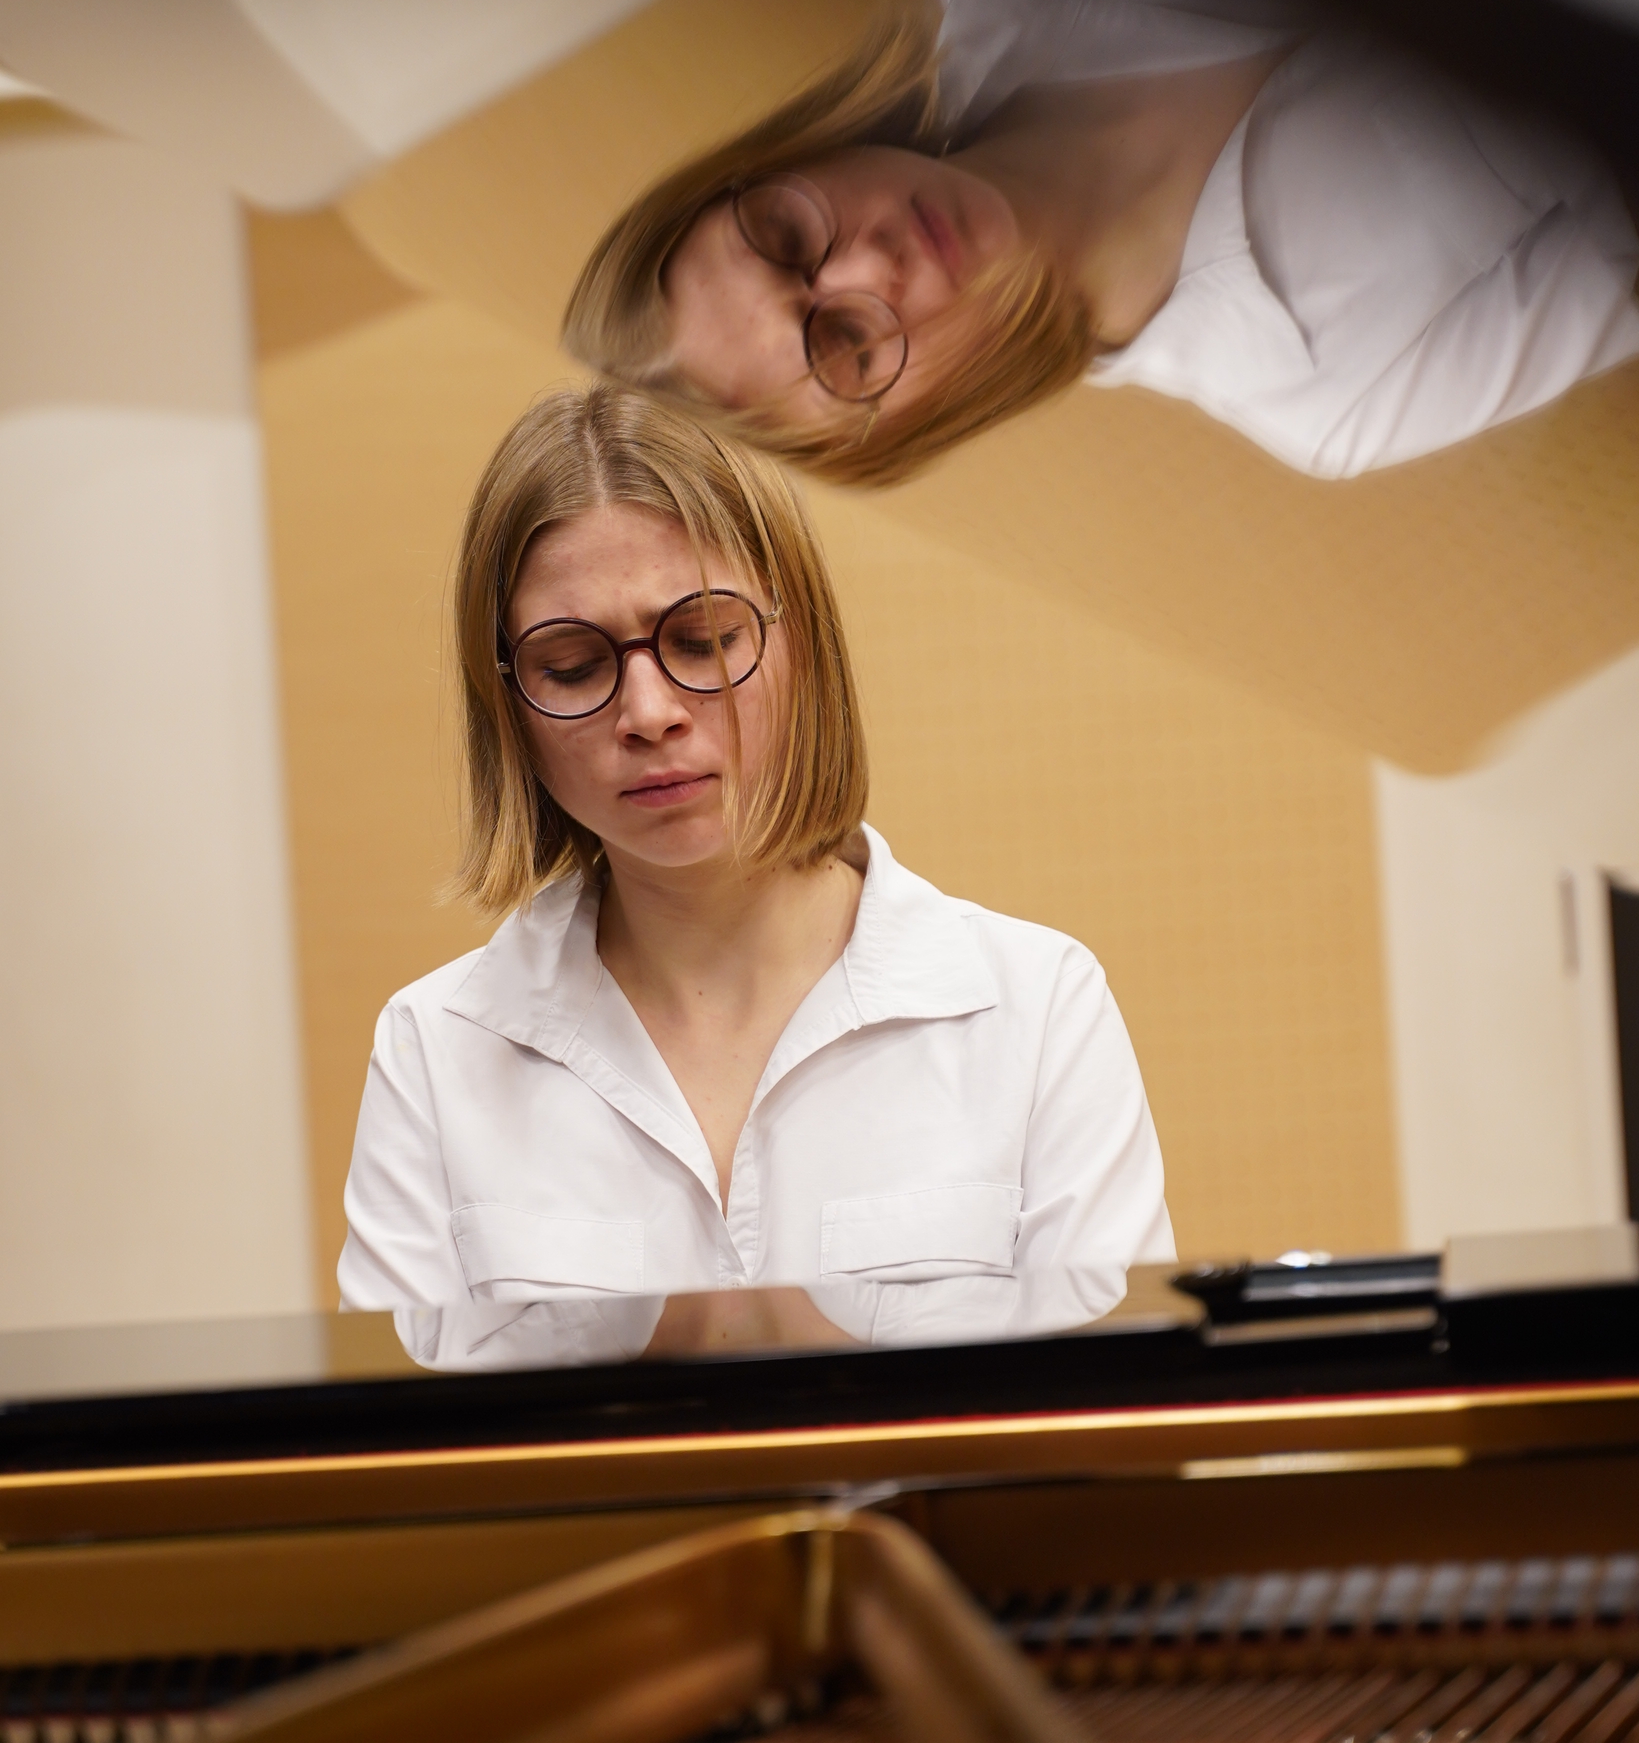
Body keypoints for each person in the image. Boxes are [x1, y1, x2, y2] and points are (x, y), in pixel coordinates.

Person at [336, 383, 1172, 1368]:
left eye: (702, 641)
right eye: (571, 666)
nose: (648, 712)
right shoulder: (435, 1051)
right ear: (508, 702)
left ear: (799, 639)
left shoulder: (1035, 1009)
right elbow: (380, 1449)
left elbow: (1123, 1424)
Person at [564, 0, 1639, 486]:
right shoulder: (1333, 394)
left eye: (789, 237)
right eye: (844, 346)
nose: (868, 264)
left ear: (784, 158)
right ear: (909, 419)